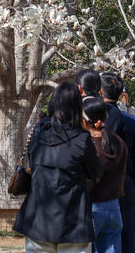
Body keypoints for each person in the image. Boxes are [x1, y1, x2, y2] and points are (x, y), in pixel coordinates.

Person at [13, 82, 102, 252]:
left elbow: (33, 162)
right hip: (73, 222)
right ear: (77, 106)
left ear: (52, 103)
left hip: (37, 219)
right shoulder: (82, 138)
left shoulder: (38, 131)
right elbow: (96, 171)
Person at [101, 71, 135, 253]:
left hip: (100, 186)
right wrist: (133, 184)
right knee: (127, 235)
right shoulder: (131, 121)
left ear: (99, 91)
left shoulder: (90, 120)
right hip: (125, 183)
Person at [83, 96, 127, 253]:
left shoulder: (86, 145)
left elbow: (87, 181)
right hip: (114, 207)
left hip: (92, 208)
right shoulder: (118, 142)